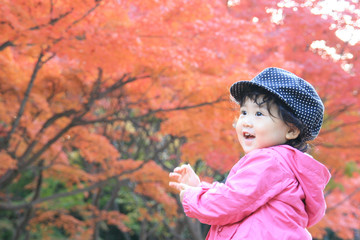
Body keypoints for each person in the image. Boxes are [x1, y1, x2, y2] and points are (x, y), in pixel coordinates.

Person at [169, 67, 331, 239]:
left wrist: (192, 196)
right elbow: (239, 195)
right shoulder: (286, 166)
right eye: (244, 112)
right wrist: (199, 188)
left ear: (291, 131)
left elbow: (229, 202)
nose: (246, 121)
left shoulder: (270, 160)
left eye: (259, 114)